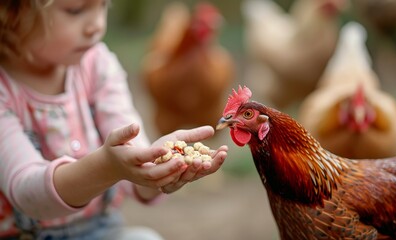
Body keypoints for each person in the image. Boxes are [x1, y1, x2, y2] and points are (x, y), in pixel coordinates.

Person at [0, 0, 228, 239]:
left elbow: (130, 142)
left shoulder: (97, 64)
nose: (96, 25)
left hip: (101, 229)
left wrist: (155, 169)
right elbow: (27, 192)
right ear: (11, 11)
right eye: (75, 10)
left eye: (103, 7)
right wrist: (105, 168)